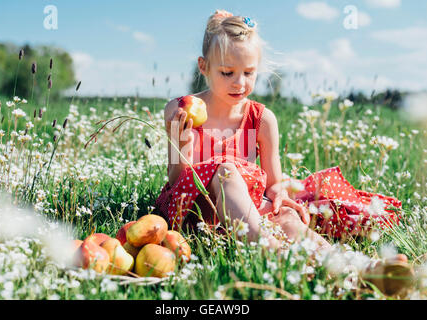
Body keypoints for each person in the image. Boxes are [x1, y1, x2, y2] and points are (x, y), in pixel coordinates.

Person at [154, 9, 413, 295]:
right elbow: (177, 179)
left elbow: (272, 182)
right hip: (197, 213)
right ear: (203, 67)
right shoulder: (179, 109)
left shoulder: (262, 119)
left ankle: (358, 268)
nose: (239, 83)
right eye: (227, 72)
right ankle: (272, 252)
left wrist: (279, 193)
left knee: (289, 221)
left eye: (249, 73)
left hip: (248, 213)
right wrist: (181, 143)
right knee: (225, 169)